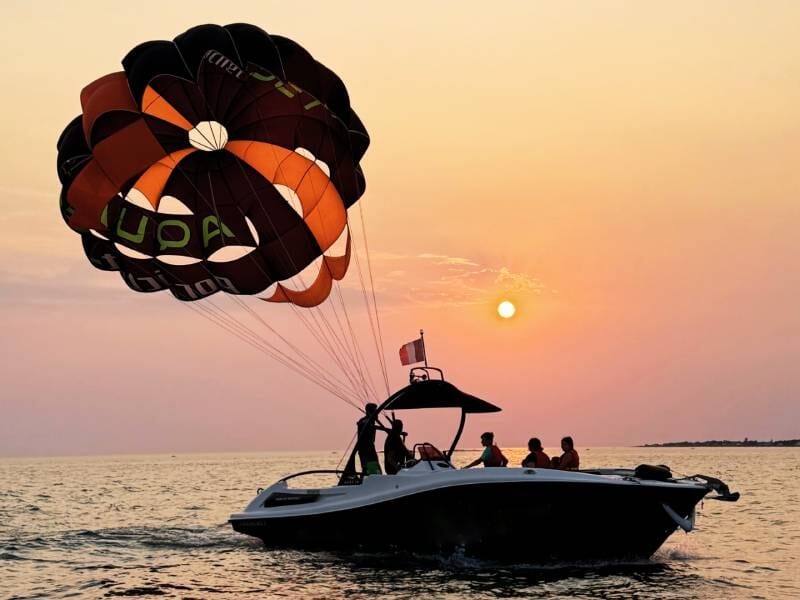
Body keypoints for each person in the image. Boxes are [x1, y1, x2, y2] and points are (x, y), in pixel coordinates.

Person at [356, 403, 388, 475]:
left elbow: (377, 427)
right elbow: (361, 423)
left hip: (370, 449)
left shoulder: (371, 422)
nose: (377, 414)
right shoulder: (365, 421)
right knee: (370, 470)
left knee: (373, 470)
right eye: (375, 412)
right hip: (365, 450)